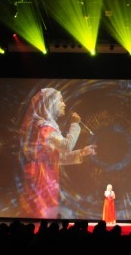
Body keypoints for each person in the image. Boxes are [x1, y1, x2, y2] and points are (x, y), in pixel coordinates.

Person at [20, 87, 96, 218]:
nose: (64, 104)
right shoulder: (45, 129)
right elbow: (67, 146)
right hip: (42, 178)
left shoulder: (46, 127)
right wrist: (75, 124)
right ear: (50, 103)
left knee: (45, 214)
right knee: (41, 215)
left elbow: (57, 158)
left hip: (46, 177)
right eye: (60, 100)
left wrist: (81, 152)